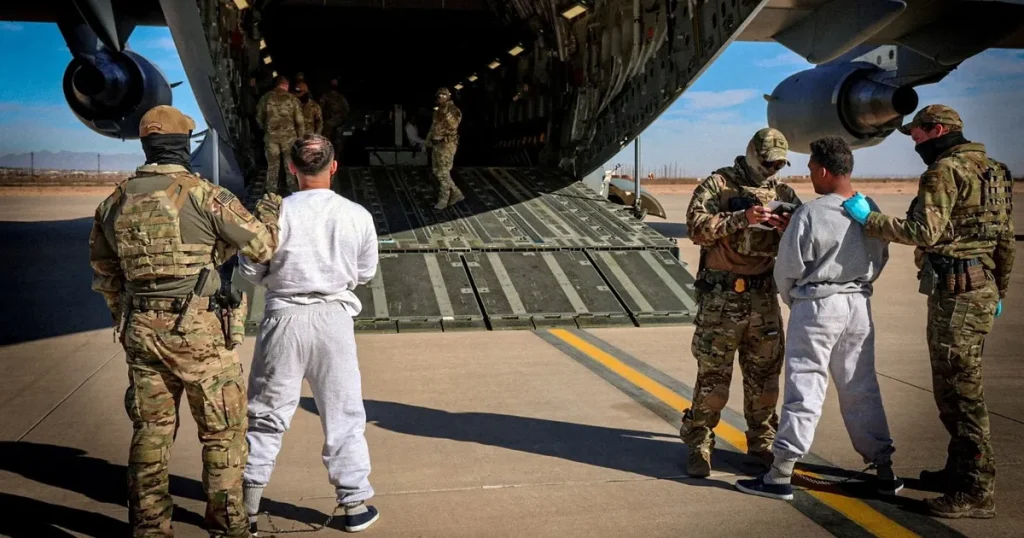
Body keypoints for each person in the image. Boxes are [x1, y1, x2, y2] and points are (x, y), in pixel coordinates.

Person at [88, 105, 279, 537]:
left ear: (147, 145)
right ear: (182, 145)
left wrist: (128, 318)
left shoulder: (114, 202)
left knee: (151, 432)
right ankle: (228, 525)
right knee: (222, 431)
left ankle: (150, 526)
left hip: (141, 331)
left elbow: (105, 274)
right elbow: (262, 246)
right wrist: (271, 209)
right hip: (199, 335)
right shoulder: (206, 195)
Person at [842, 105, 1014, 519]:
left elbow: (923, 232)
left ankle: (976, 490)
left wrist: (870, 219)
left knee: (959, 394)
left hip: (957, 297)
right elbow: (1005, 239)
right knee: (961, 386)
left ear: (937, 130)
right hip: (980, 289)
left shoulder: (943, 171)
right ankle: (959, 471)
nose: (915, 144)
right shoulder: (996, 171)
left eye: (917, 136)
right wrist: (999, 290)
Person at [734, 136, 903, 500]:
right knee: (861, 387)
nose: (810, 175)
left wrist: (797, 301)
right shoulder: (868, 209)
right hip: (858, 306)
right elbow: (881, 256)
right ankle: (884, 468)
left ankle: (780, 473)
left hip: (817, 306)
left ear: (824, 171)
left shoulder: (809, 213)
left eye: (811, 168)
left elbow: (787, 269)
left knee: (805, 389)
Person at [238, 134, 380, 534]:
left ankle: (246, 508)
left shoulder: (274, 215)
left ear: (292, 169)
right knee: (343, 415)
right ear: (333, 167)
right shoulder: (357, 215)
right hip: (334, 321)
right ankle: (354, 505)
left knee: (266, 416)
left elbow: (250, 270)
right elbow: (366, 272)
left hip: (283, 319)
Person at [680, 127, 802, 477]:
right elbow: (696, 228)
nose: (772, 170)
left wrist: (786, 227)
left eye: (778, 164)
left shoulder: (783, 193)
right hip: (722, 299)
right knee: (713, 379)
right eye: (768, 162)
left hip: (762, 298)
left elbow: (804, 239)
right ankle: (700, 443)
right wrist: (741, 219)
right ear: (752, 154)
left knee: (765, 379)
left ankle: (762, 444)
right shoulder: (718, 185)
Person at [256, 75, 305, 195]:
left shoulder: (265, 98)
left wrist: (266, 129)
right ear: (286, 85)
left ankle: (271, 193)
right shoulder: (292, 99)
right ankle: (293, 192)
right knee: (290, 166)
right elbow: (299, 121)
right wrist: (301, 138)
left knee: (272, 166)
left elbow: (258, 117)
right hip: (289, 139)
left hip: (271, 138)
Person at [425, 87, 465, 209]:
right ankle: (456, 193)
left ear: (448, 96)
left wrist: (446, 113)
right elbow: (433, 128)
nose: (441, 97)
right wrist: (427, 142)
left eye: (444, 95)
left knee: (443, 173)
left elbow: (454, 125)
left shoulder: (454, 110)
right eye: (439, 95)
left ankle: (443, 199)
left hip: (447, 145)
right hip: (437, 145)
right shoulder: (437, 111)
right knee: (437, 171)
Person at [320, 78, 351, 163]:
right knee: (329, 144)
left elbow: (347, 110)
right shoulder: (326, 96)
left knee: (337, 145)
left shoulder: (340, 97)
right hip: (330, 124)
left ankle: (335, 161)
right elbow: (321, 108)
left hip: (337, 124)